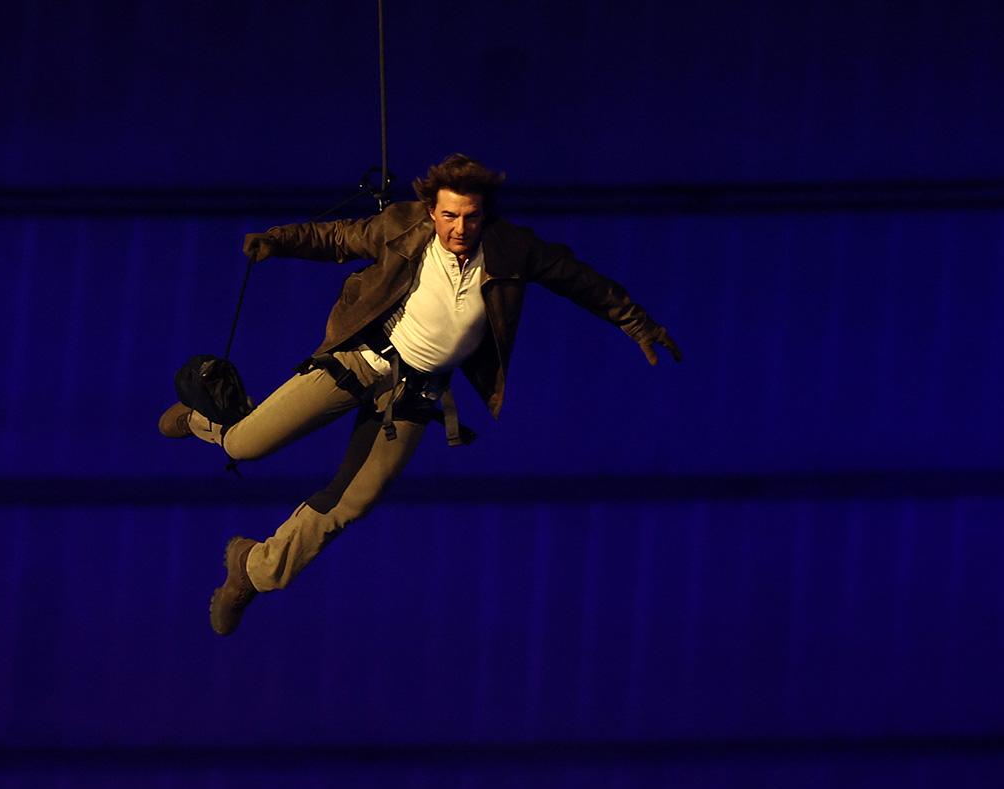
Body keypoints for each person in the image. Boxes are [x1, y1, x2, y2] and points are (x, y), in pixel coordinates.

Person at [160, 154, 681, 635]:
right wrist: (280, 239)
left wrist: (637, 323)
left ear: (484, 216)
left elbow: (580, 280)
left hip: (414, 393)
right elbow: (339, 238)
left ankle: (253, 569)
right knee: (246, 444)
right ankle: (200, 422)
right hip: (360, 363)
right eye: (449, 216)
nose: (459, 229)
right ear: (432, 211)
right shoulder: (403, 227)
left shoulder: (511, 249)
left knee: (354, 500)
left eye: (471, 217)